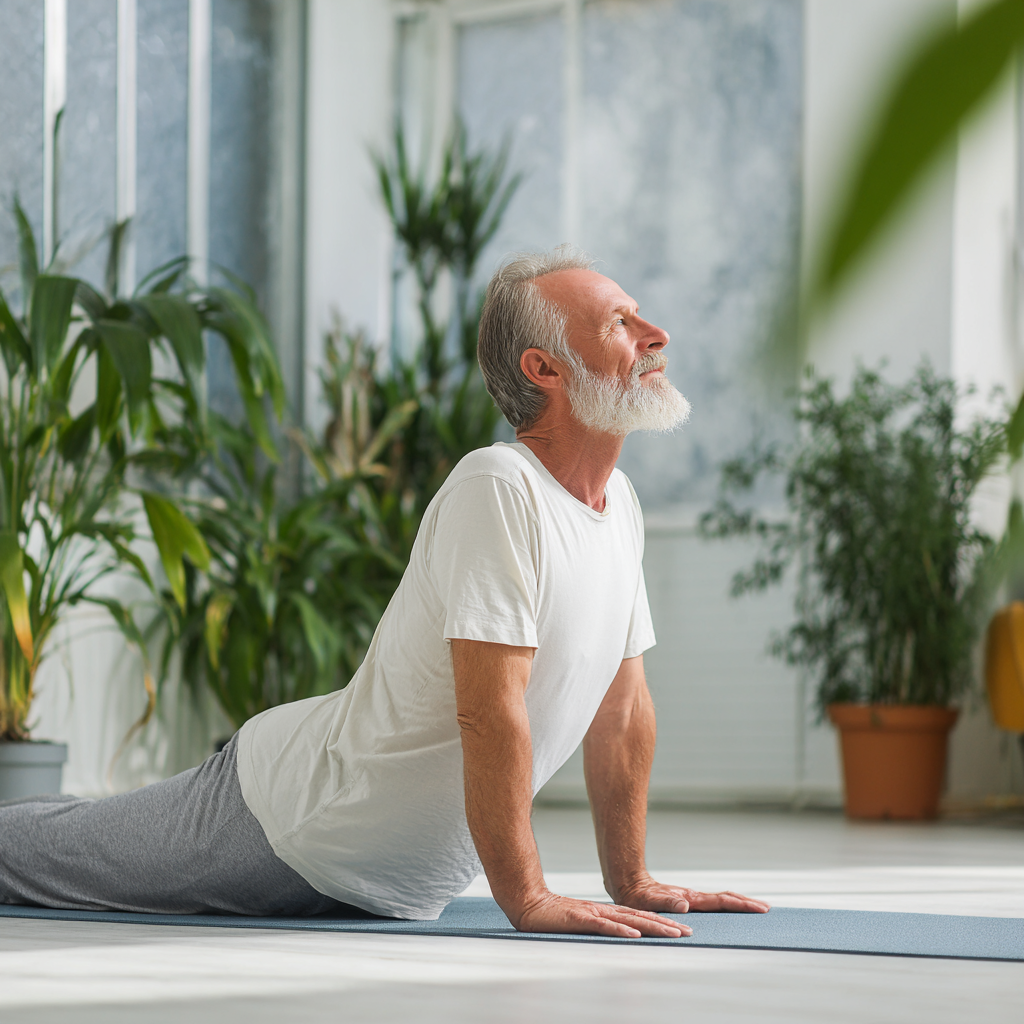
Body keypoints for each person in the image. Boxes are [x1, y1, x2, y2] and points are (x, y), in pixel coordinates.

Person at [0, 247, 769, 938]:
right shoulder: (498, 486)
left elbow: (622, 708)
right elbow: (489, 707)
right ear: (545, 369)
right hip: (286, 819)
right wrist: (526, 897)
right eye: (621, 322)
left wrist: (630, 880)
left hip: (370, 874)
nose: (656, 333)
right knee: (33, 853)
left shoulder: (618, 506)